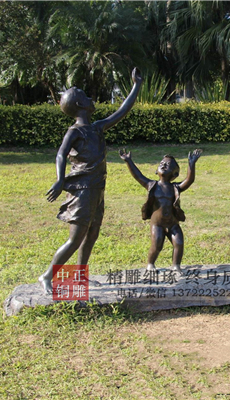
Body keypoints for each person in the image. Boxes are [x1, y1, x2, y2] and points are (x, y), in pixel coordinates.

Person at [38, 68, 143, 294]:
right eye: (86, 96)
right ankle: (47, 276)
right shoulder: (75, 131)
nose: (91, 98)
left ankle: (80, 276)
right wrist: (59, 179)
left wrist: (136, 85)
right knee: (75, 239)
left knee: (92, 234)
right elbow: (60, 154)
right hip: (82, 190)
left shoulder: (97, 127)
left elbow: (122, 111)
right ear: (80, 105)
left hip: (97, 188)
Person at [119, 149, 202, 272]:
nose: (163, 165)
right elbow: (138, 176)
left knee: (179, 243)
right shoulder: (152, 185)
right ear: (156, 170)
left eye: (168, 165)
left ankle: (176, 265)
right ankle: (150, 264)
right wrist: (128, 161)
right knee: (157, 244)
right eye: (162, 163)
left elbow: (189, 180)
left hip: (173, 223)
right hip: (157, 224)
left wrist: (191, 164)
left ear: (175, 174)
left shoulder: (175, 187)